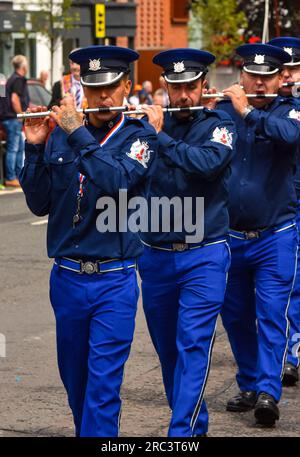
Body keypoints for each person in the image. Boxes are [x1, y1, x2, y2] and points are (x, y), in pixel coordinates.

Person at [19, 45, 158, 437]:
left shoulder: (139, 137)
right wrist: (33, 147)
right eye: (93, 87)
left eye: (111, 87)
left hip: (114, 279)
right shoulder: (61, 135)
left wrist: (77, 133)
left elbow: (118, 182)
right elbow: (39, 202)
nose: (102, 96)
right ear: (82, 88)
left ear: (126, 86)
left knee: (102, 388)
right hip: (66, 279)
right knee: (76, 384)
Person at [138, 48, 236, 437]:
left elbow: (207, 164)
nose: (183, 96)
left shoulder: (219, 125)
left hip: (205, 253)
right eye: (175, 87)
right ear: (164, 86)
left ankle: (180, 435)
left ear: (203, 86)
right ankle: (194, 425)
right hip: (157, 254)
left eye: (190, 87)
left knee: (192, 345)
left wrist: (159, 138)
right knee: (169, 352)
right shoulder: (148, 126)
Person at [218, 44, 300, 426]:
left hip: (275, 235)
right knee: (235, 316)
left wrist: (247, 112)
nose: (260, 82)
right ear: (243, 76)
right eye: (253, 76)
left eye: (268, 76)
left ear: (279, 78)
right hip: (230, 236)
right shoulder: (220, 111)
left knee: (270, 314)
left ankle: (268, 390)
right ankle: (249, 382)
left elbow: (287, 136)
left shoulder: (290, 111)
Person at [268, 36, 300, 387]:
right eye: (284, 69)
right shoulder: (268, 105)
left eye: (294, 68)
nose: (289, 76)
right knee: (286, 282)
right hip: (281, 202)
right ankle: (288, 353)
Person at [0, 55, 29, 187]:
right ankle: (11, 177)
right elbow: (14, 98)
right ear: (23, 67)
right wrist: (21, 115)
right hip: (13, 118)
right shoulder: (18, 79)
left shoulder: (11, 78)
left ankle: (18, 175)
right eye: (27, 64)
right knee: (14, 148)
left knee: (19, 148)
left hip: (9, 118)